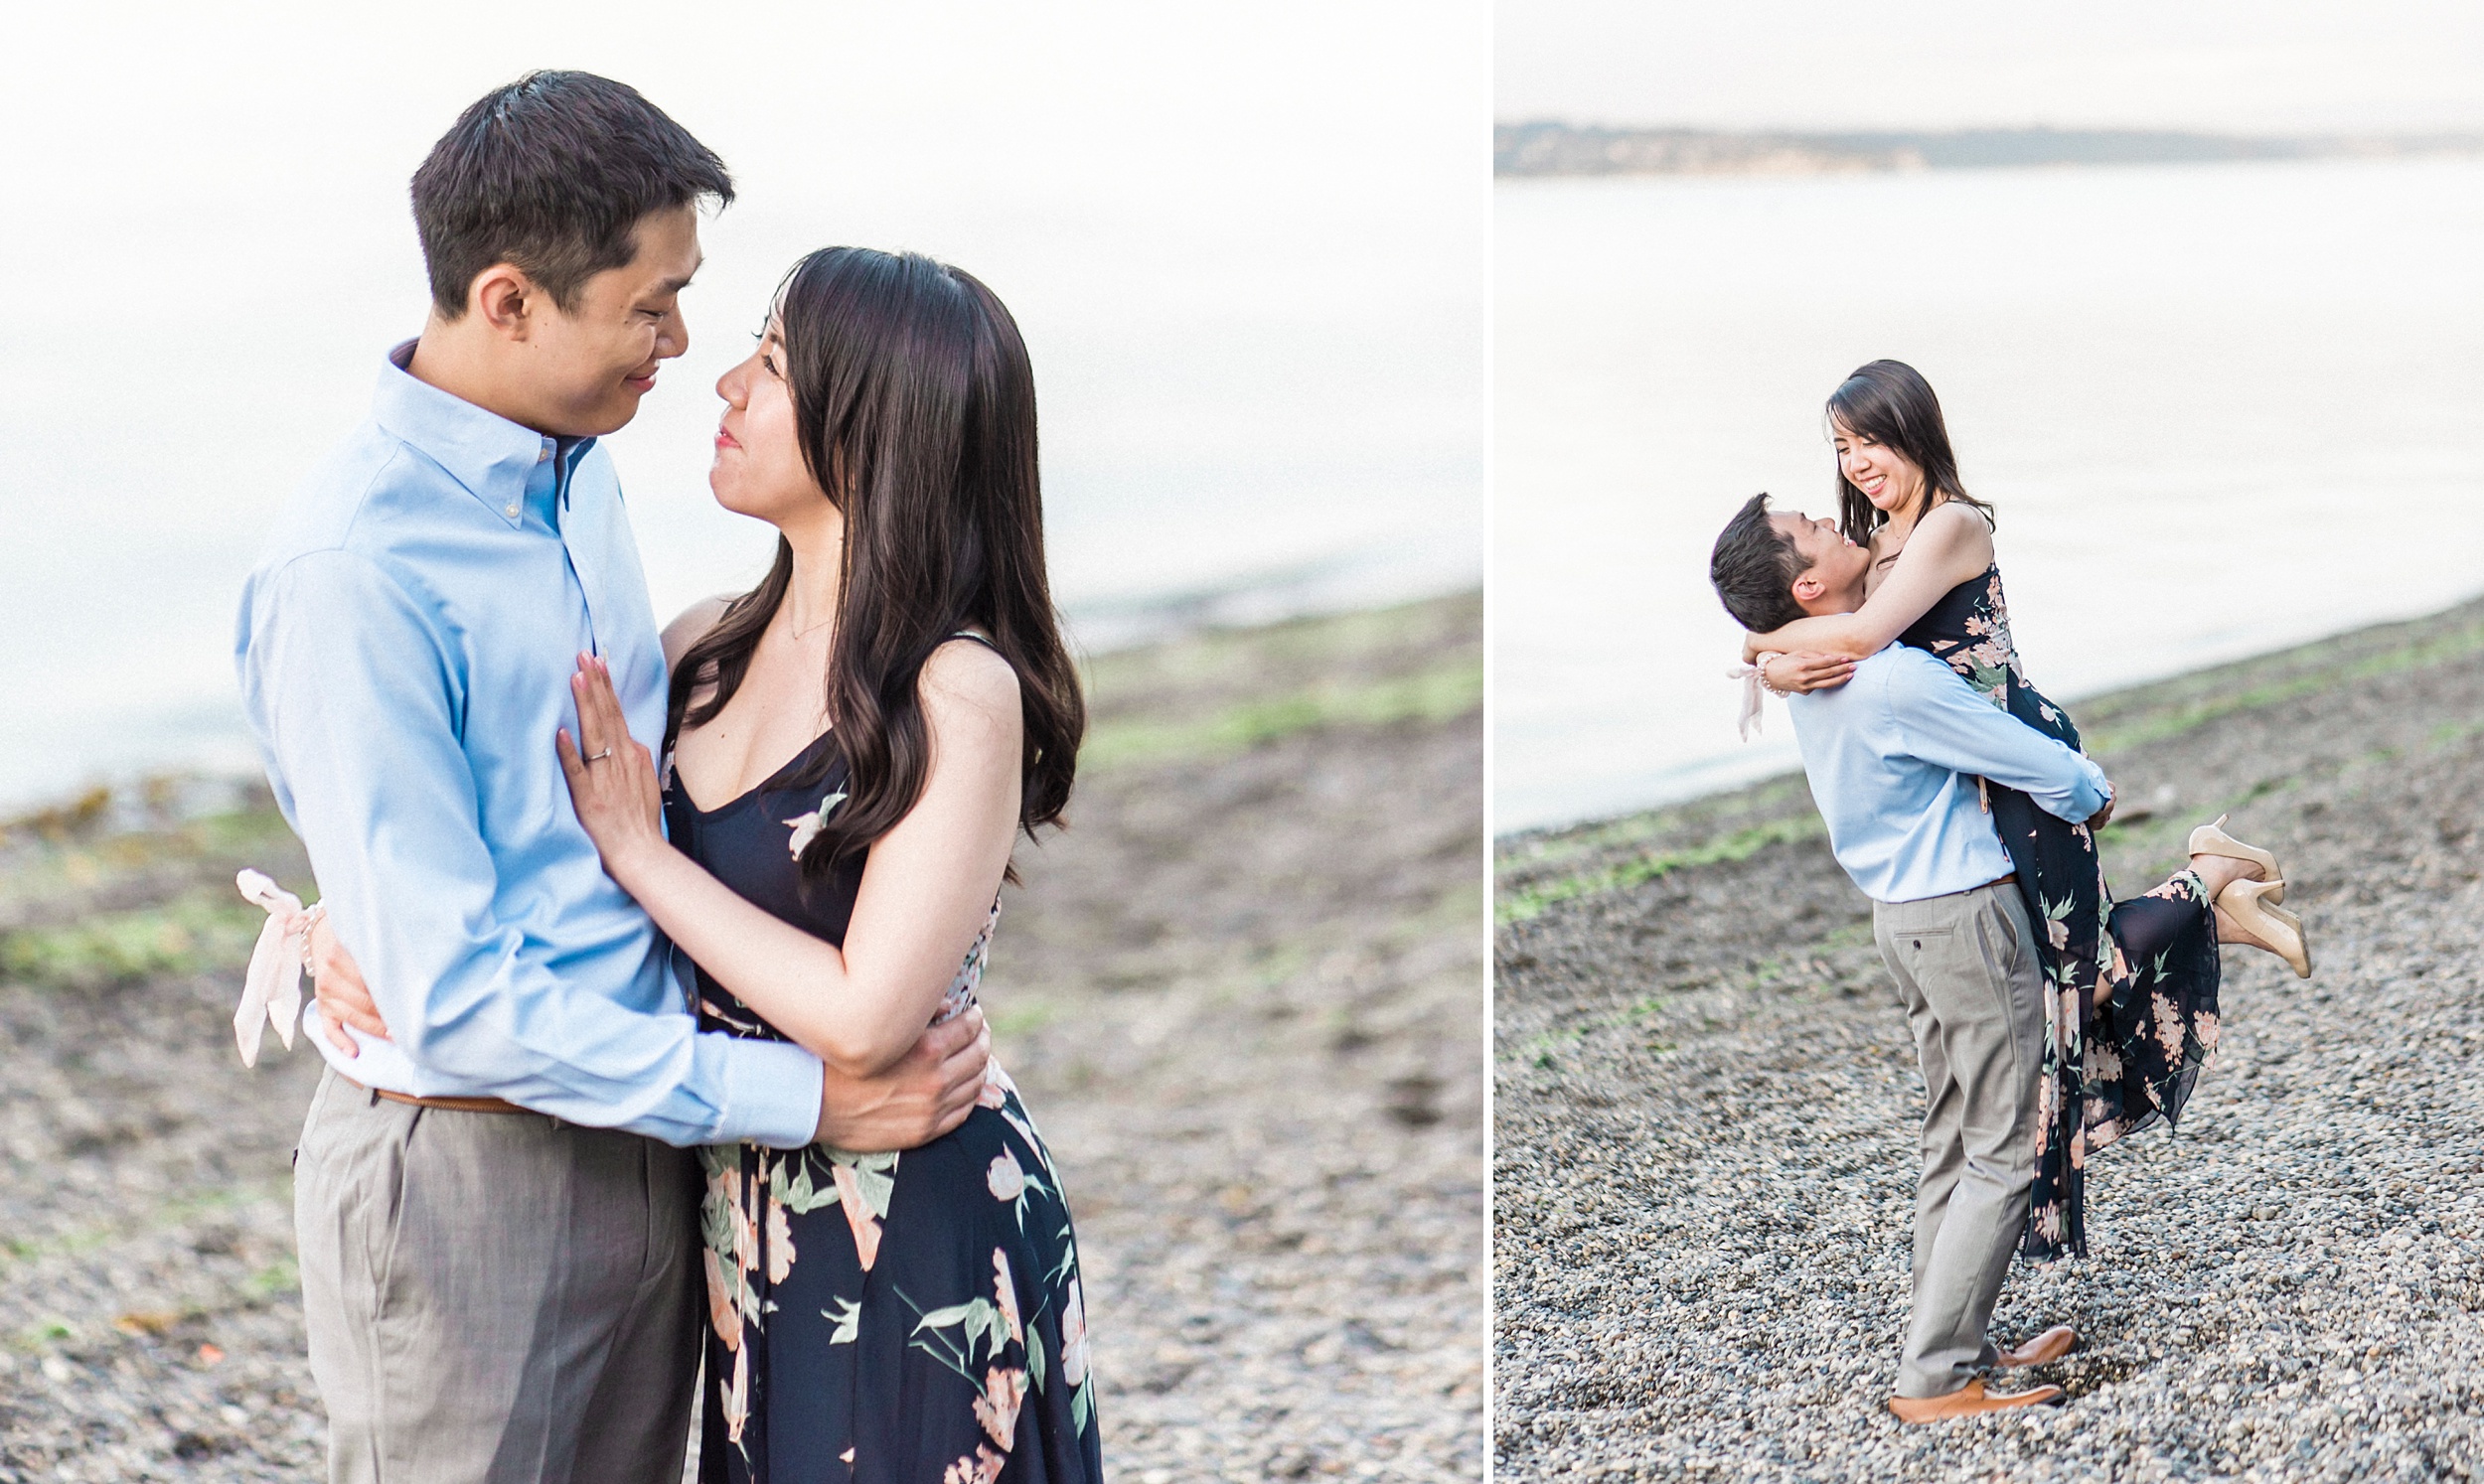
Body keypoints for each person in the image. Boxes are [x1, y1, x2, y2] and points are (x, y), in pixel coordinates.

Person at [234, 74, 989, 1483]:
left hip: (649, 1148)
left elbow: (568, 824)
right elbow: (452, 995)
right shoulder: (356, 571)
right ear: (511, 301)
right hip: (469, 1177)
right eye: (652, 305)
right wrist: (807, 1105)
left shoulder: (575, 476)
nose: (682, 344)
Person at [1710, 492, 2305, 1420]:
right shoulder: (1892, 681)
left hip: (1901, 922)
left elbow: (1791, 645)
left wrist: (1760, 644)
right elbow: (2030, 759)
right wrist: (2094, 791)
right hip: (1964, 922)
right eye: (1817, 527)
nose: (1839, 521)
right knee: (1999, 1150)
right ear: (1810, 582)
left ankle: (1959, 1340)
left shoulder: (1812, 675)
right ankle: (1937, 1377)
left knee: (1952, 1135)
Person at [1736, 361, 2309, 1262]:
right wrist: (1764, 650)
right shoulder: (1871, 541)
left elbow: (1851, 637)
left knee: (2069, 976)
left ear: (1913, 430)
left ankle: (2211, 880)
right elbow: (1826, 618)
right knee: (2059, 977)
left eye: (1871, 441)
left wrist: (1762, 652)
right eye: (1842, 449)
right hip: (1968, 770)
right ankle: (2212, 891)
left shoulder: (1951, 528)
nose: (1855, 464)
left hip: (2018, 760)